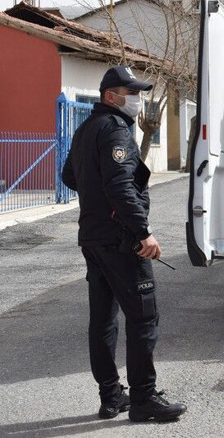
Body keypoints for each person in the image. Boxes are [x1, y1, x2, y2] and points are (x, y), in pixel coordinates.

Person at [61, 66, 187, 422]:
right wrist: (142, 232)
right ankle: (145, 398)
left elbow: (71, 175)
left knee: (103, 320)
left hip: (94, 237)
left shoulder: (87, 128)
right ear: (110, 97)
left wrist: (97, 203)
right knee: (143, 317)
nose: (137, 99)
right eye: (130, 93)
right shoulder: (114, 131)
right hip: (120, 241)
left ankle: (111, 396)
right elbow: (120, 186)